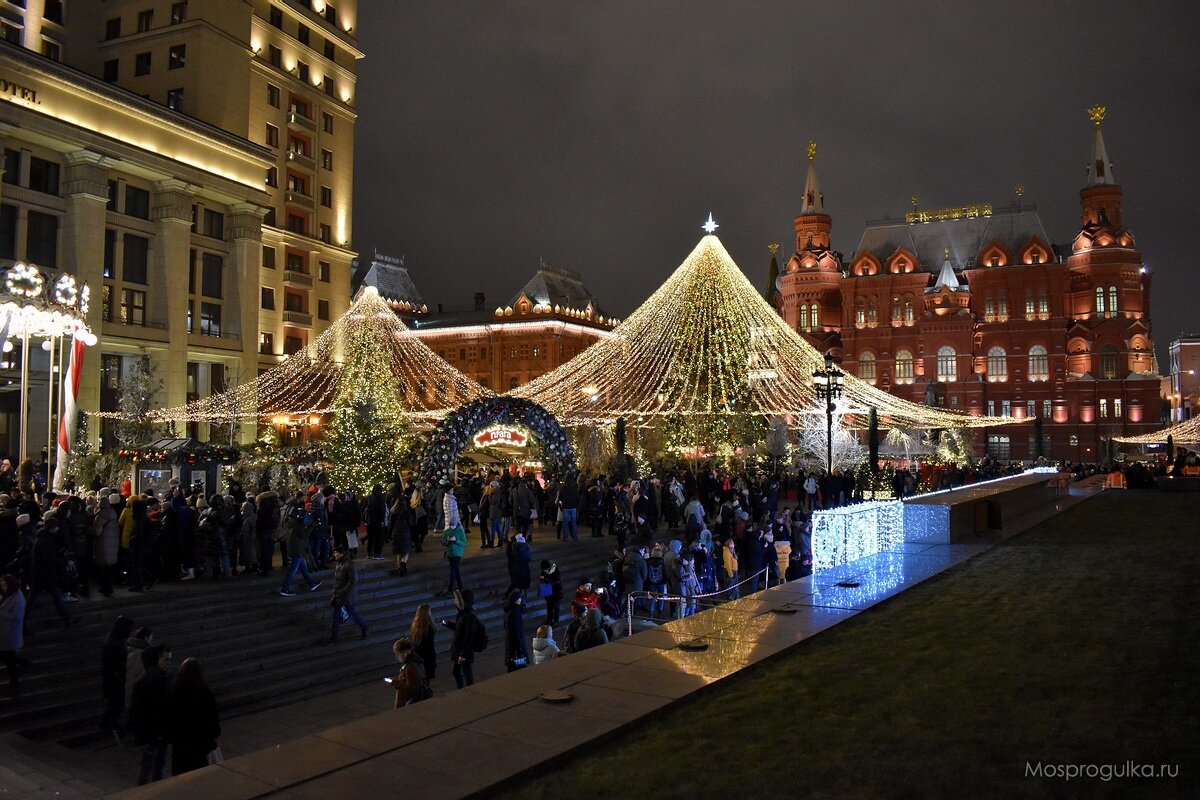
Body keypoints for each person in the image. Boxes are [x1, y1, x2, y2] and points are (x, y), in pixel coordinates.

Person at [168, 657, 220, 776]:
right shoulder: (205, 693)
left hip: (181, 744)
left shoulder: (175, 693)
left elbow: (170, 718)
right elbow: (213, 719)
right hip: (200, 744)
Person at [128, 644, 171, 785]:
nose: (168, 664)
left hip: (157, 732)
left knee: (152, 767)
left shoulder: (156, 679)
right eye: (165, 660)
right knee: (153, 767)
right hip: (155, 732)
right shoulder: (154, 681)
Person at [279, 493, 322, 597]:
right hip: (297, 548)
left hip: (295, 547)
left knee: (302, 567)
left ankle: (311, 583)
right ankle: (285, 588)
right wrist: (312, 526)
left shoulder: (292, 523)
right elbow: (304, 535)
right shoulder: (298, 525)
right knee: (293, 570)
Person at [101, 615, 135, 735]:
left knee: (115, 702)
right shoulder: (115, 643)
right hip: (116, 678)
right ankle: (109, 723)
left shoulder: (112, 639)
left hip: (114, 677)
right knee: (117, 701)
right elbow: (114, 662)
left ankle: (109, 722)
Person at [328, 544, 369, 643]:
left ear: (341, 554)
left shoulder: (349, 564)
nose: (334, 554)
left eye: (336, 553)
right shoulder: (339, 563)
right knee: (336, 616)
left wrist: (344, 591)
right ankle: (334, 637)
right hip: (339, 594)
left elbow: (353, 580)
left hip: (347, 596)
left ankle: (364, 626)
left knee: (351, 614)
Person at [441, 589, 481, 689]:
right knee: (457, 672)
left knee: (466, 674)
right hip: (460, 650)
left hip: (464, 652)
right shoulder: (461, 615)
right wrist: (448, 624)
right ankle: (464, 691)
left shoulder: (468, 617)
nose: (455, 601)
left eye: (456, 599)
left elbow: (469, 637)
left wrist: (463, 655)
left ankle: (468, 692)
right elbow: (459, 629)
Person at [0, 574, 26, 697]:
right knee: (8, 657)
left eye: (5, 585)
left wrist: (1, 612)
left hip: (10, 633)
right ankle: (22, 663)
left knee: (9, 660)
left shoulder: (18, 599)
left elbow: (17, 616)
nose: (3, 587)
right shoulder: (10, 594)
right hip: (6, 633)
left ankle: (14, 684)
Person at [438, 484, 465, 597]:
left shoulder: (448, 498)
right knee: (454, 569)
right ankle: (458, 586)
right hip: (453, 551)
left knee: (454, 568)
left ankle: (453, 587)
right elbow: (450, 513)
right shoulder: (449, 500)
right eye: (452, 489)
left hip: (455, 552)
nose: (453, 490)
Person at [390, 638, 429, 707]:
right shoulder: (417, 662)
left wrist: (396, 683)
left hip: (409, 703)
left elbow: (411, 688)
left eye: (398, 654)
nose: (397, 657)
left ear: (404, 653)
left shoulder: (409, 667)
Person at [409, 603, 436, 681]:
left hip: (417, 655)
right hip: (427, 658)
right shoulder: (430, 628)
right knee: (426, 679)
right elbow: (430, 646)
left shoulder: (415, 626)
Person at [503, 588, 528, 671]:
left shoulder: (509, 611)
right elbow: (517, 631)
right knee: (518, 668)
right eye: (519, 598)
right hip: (515, 646)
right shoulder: (515, 613)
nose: (520, 600)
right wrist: (520, 649)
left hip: (510, 645)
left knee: (512, 667)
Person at [364, 484, 387, 561]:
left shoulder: (369, 498)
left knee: (371, 537)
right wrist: (382, 520)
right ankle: (377, 553)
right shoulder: (380, 498)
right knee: (379, 537)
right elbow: (381, 510)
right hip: (378, 521)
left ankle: (370, 553)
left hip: (370, 520)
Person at [538, 559, 563, 627]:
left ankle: (555, 621)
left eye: (546, 570)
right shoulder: (544, 570)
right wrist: (542, 581)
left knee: (556, 607)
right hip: (548, 592)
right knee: (549, 607)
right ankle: (549, 619)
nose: (545, 571)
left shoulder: (555, 570)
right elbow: (542, 577)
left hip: (556, 592)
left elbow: (557, 580)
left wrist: (549, 582)